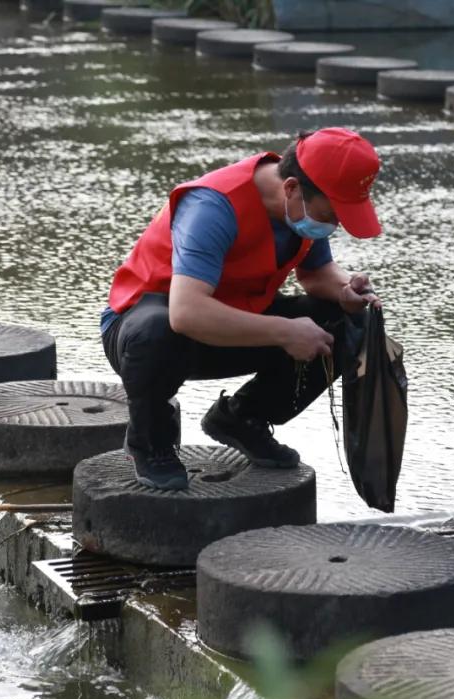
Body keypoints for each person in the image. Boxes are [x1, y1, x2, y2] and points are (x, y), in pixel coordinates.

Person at [100, 127, 383, 490]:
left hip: (230, 318)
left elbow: (316, 275)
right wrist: (285, 332)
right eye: (331, 214)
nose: (334, 225)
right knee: (157, 332)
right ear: (292, 188)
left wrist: (346, 290)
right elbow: (185, 314)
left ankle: (240, 417)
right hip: (147, 331)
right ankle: (149, 439)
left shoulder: (296, 207)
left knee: (342, 320)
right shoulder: (213, 206)